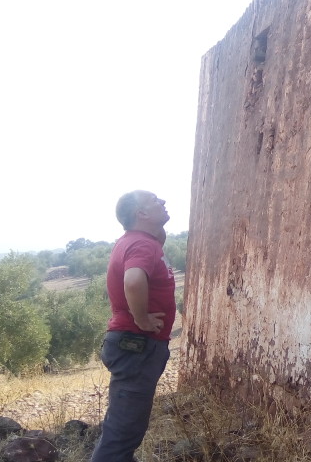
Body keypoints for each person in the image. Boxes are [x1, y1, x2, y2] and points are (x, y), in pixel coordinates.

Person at [90, 190, 176, 462]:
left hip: (135, 347)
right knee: (120, 437)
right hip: (137, 344)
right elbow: (133, 281)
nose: (162, 201)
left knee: (126, 430)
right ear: (142, 214)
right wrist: (142, 318)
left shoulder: (139, 241)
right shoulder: (141, 245)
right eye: (154, 200)